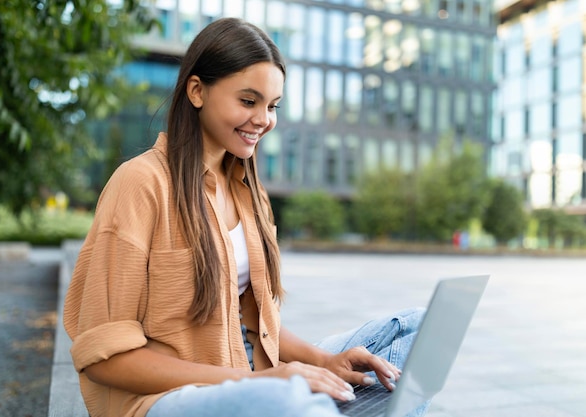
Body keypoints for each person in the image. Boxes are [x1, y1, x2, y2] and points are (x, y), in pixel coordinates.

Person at [63, 17, 428, 417]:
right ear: (197, 91)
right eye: (248, 101)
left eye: (272, 106)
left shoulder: (250, 194)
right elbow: (103, 359)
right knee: (290, 401)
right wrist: (260, 383)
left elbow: (256, 328)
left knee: (416, 333)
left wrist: (321, 362)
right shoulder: (141, 183)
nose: (264, 120)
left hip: (250, 375)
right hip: (169, 397)